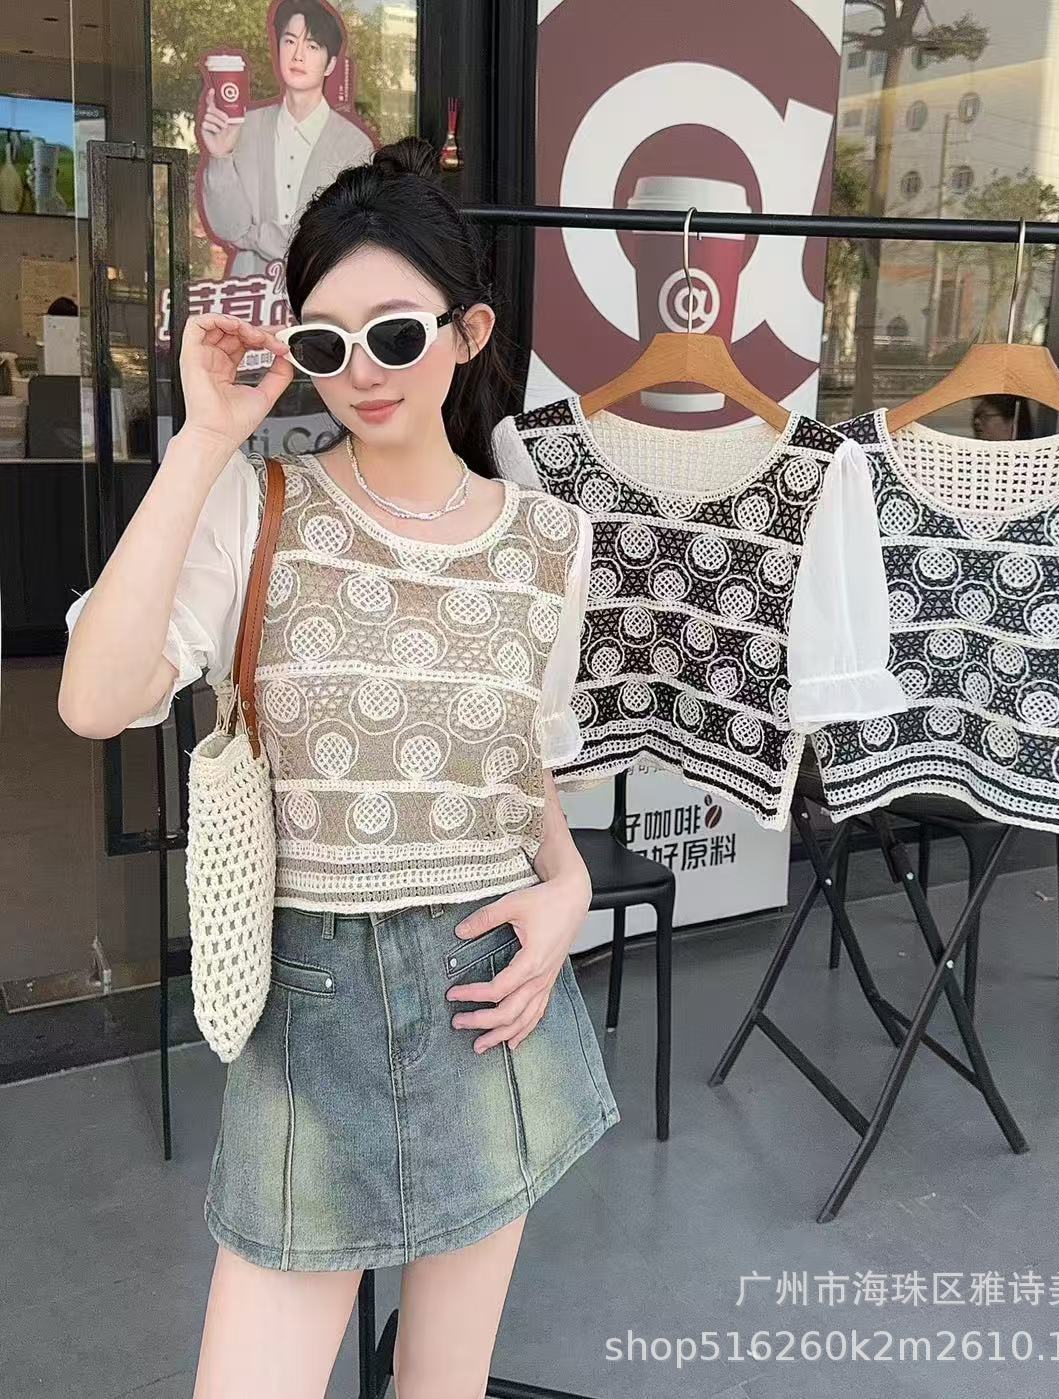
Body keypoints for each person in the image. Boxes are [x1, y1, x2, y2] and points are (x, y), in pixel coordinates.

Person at [59, 136, 620, 1399]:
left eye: (396, 335)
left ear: (468, 333)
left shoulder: (550, 541)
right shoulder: (255, 505)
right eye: (325, 342)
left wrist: (570, 887)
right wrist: (206, 440)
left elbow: (519, 760)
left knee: (441, 1386)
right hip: (309, 1013)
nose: (361, 371)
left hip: (488, 996)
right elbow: (94, 700)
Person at [199, 0, 374, 276]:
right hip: (250, 293)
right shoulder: (244, 128)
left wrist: (252, 236)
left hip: (319, 293)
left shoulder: (354, 146)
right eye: (290, 41)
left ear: (330, 64)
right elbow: (229, 229)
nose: (298, 56)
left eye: (312, 46)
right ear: (278, 48)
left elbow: (336, 237)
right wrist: (220, 155)